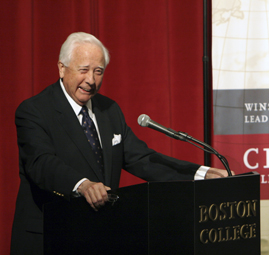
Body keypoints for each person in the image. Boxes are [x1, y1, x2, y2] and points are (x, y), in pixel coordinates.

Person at [11, 32, 232, 254]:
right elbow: (41, 163)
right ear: (62, 68)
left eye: (98, 72)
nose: (91, 80)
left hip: (99, 236)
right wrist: (82, 184)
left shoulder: (109, 111)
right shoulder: (34, 111)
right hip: (51, 236)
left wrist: (199, 174)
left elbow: (142, 159)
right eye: (84, 70)